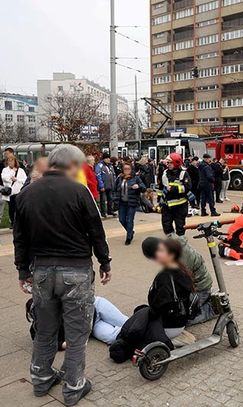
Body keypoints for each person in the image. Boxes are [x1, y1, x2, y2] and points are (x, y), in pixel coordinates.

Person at [14, 144, 111, 406]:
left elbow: (20, 238)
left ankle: (41, 379)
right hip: (76, 271)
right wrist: (104, 262)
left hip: (42, 272)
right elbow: (96, 231)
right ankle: (73, 387)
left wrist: (23, 271)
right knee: (77, 333)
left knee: (45, 330)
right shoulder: (80, 191)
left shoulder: (25, 195)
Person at [142, 235, 215, 325]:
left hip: (200, 287)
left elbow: (183, 286)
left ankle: (211, 309)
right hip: (193, 285)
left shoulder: (180, 255)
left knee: (183, 319)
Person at [146, 238, 196, 347]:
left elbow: (158, 307)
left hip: (170, 326)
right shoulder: (182, 270)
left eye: (161, 251)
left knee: (140, 320)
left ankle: (169, 341)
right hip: (181, 321)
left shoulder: (165, 277)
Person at [113, 162, 146, 245]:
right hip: (122, 203)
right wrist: (115, 198)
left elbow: (144, 188)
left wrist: (138, 186)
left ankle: (128, 238)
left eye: (128, 169)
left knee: (129, 220)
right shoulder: (119, 178)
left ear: (131, 170)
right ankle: (130, 231)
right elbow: (115, 189)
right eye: (125, 169)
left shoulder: (136, 178)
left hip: (132, 202)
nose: (126, 171)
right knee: (121, 219)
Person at [161, 153, 192, 237]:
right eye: (167, 163)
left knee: (180, 227)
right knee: (166, 226)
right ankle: (172, 241)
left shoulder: (183, 174)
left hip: (180, 205)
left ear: (176, 163)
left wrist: (173, 189)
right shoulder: (165, 173)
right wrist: (160, 200)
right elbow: (162, 187)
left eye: (170, 163)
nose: (168, 164)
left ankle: (180, 244)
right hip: (167, 206)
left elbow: (187, 187)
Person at [1, 156, 28, 227]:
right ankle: (13, 222)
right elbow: (5, 179)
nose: (10, 162)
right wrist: (13, 172)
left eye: (12, 160)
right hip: (10, 193)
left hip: (18, 192)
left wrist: (17, 179)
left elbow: (24, 180)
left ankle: (19, 222)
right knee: (11, 208)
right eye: (9, 161)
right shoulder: (5, 170)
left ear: (15, 161)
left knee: (18, 208)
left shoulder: (21, 170)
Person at [95, 152, 115, 218]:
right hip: (103, 185)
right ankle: (103, 212)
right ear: (104, 159)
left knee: (110, 198)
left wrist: (113, 183)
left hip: (110, 185)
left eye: (109, 158)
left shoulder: (110, 165)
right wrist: (101, 185)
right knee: (103, 199)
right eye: (107, 158)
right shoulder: (100, 165)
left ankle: (110, 210)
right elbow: (98, 175)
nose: (108, 159)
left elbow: (113, 174)